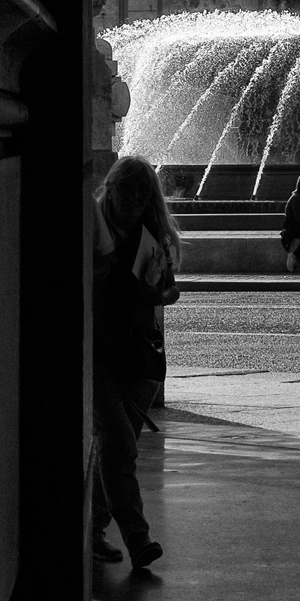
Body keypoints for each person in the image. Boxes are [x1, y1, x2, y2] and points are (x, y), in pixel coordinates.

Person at [91, 154, 181, 571]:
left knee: (114, 451)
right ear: (112, 186)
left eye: (145, 191)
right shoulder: (94, 228)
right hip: (100, 352)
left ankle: (91, 532)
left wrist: (158, 284)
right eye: (130, 188)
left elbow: (167, 294)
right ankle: (138, 539)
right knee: (120, 446)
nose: (137, 197)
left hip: (139, 355)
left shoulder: (152, 235)